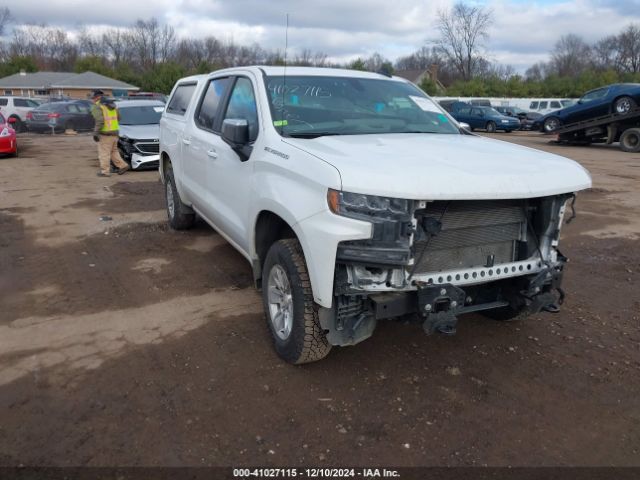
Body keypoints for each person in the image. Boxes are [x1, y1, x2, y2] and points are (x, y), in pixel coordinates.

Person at [90, 90, 130, 177]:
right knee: (113, 151)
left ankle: (105, 172)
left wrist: (95, 133)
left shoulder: (97, 106)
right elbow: (119, 118)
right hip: (115, 132)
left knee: (104, 153)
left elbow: (100, 121)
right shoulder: (113, 105)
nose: (92, 100)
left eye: (93, 98)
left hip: (105, 134)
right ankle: (123, 165)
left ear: (97, 97)